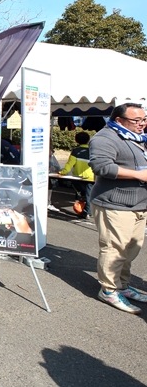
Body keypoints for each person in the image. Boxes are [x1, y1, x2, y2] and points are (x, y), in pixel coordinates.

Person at [88, 102, 147, 314]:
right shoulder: (105, 137)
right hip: (115, 203)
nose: (142, 124)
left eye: (144, 119)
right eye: (136, 120)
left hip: (139, 203)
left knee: (131, 248)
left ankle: (122, 285)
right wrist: (138, 175)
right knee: (115, 248)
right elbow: (101, 166)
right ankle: (109, 290)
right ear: (119, 120)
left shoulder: (138, 138)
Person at [59, 131, 94, 217]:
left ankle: (86, 210)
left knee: (83, 194)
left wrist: (62, 172)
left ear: (76, 140)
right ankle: (88, 211)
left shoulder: (76, 151)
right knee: (89, 194)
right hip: (91, 177)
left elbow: (69, 164)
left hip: (78, 177)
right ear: (88, 140)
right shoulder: (93, 151)